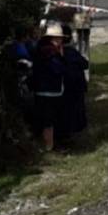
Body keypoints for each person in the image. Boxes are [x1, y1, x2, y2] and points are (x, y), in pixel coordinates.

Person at [32, 23, 66, 151]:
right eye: (58, 38)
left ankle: (47, 145)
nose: (60, 40)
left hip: (44, 89)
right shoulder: (50, 52)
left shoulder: (42, 49)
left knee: (46, 120)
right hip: (49, 90)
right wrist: (61, 57)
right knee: (49, 121)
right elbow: (58, 69)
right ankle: (49, 146)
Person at [57, 25, 89, 139]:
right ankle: (75, 131)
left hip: (64, 87)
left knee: (67, 110)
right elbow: (85, 64)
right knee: (76, 109)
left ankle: (68, 133)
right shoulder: (71, 52)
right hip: (76, 86)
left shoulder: (56, 52)